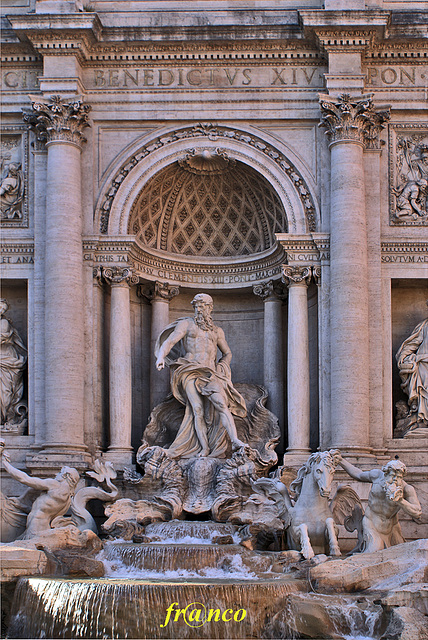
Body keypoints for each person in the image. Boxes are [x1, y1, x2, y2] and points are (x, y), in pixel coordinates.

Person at [155, 293, 247, 459]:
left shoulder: (217, 331)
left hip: (210, 373)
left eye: (202, 306)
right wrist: (161, 356)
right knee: (196, 409)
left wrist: (222, 366)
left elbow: (227, 353)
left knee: (221, 404)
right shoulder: (187, 324)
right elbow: (170, 341)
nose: (199, 309)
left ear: (210, 308)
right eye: (196, 306)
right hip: (189, 370)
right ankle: (204, 448)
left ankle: (234, 440)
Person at [337, 454, 422, 553]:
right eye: (392, 476)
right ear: (385, 474)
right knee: (374, 552)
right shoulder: (376, 476)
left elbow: (417, 512)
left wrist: (400, 501)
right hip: (371, 523)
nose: (395, 480)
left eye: (398, 477)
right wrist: (341, 461)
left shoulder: (407, 489)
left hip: (392, 528)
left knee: (399, 555)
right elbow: (358, 474)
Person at [0, 440, 80, 539]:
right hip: (42, 527)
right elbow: (41, 508)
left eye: (60, 473)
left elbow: (25, 479)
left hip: (35, 528)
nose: (56, 475)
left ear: (66, 476)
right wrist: (20, 505)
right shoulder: (67, 498)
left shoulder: (55, 485)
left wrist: (6, 464)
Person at [396, 306, 428, 426]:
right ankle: (422, 419)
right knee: (423, 391)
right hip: (424, 366)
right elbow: (412, 344)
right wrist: (404, 357)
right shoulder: (424, 326)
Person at [0, 298, 27, 428]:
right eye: (0, 307)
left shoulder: (4, 322)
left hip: (6, 358)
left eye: (3, 309)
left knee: (5, 392)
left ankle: (4, 418)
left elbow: (2, 337)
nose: (1, 310)